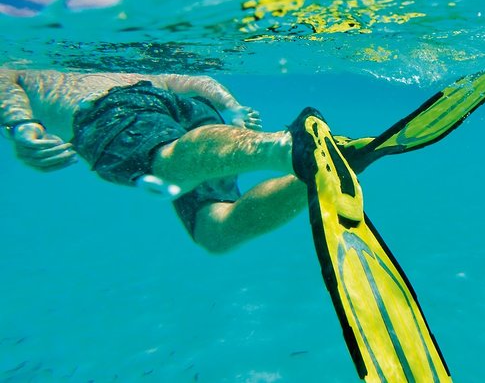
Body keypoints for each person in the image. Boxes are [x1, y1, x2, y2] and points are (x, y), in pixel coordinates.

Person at [0, 68, 304, 253]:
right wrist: (232, 107)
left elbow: (3, 79)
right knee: (214, 232)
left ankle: (287, 147)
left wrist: (22, 126)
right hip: (186, 107)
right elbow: (194, 81)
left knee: (167, 170)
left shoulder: (24, 67)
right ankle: (308, 175)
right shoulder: (135, 65)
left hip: (110, 110)